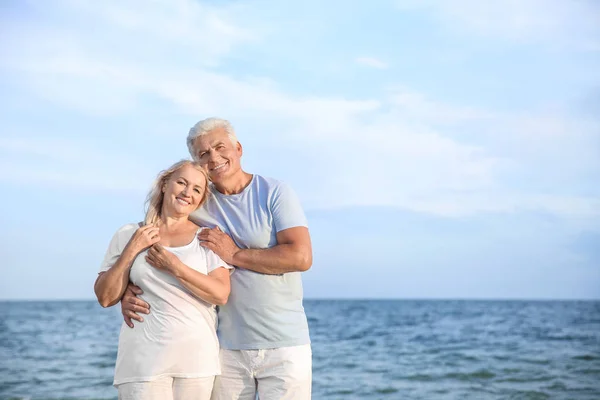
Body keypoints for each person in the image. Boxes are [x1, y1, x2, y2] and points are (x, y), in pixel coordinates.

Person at [121, 118, 314, 399]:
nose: (214, 157)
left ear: (238, 148)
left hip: (285, 345)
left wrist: (234, 254)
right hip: (225, 349)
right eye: (203, 154)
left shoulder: (274, 192)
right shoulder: (198, 202)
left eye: (220, 147)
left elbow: (301, 256)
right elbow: (157, 231)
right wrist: (128, 288)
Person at [94, 160, 232, 400]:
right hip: (142, 365)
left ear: (200, 200)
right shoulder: (128, 233)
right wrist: (132, 248)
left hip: (196, 363)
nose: (188, 192)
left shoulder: (207, 238)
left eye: (197, 189)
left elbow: (220, 294)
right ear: (165, 184)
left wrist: (174, 267)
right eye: (182, 182)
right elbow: (105, 297)